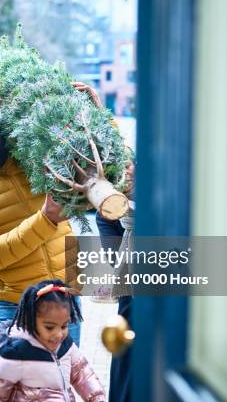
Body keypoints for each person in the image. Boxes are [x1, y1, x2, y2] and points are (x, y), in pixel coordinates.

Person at [0, 97, 81, 370]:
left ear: (0, 129)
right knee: (5, 393)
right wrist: (45, 220)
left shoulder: (37, 158)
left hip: (65, 299)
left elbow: (100, 159)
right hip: (13, 307)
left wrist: (95, 111)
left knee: (61, 389)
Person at [0, 280, 106, 402]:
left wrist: (97, 398)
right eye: (49, 327)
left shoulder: (67, 345)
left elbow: (83, 375)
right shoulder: (16, 354)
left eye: (64, 326)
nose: (58, 334)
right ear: (31, 320)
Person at [96, 158, 135, 402]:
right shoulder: (109, 208)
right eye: (116, 170)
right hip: (131, 293)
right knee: (128, 363)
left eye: (128, 164)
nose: (125, 172)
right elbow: (113, 254)